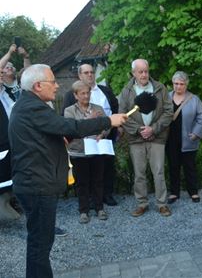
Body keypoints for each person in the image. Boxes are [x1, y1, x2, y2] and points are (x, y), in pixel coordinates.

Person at [8, 64, 127, 278]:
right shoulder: (33, 107)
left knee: (38, 243)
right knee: (40, 245)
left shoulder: (28, 105)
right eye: (52, 82)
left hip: (34, 183)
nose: (56, 86)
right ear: (37, 86)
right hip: (37, 185)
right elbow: (68, 126)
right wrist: (108, 120)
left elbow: (53, 134)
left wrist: (65, 136)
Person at [118, 59, 173, 217]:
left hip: (156, 137)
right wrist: (138, 129)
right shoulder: (127, 91)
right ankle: (142, 203)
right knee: (139, 173)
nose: (144, 74)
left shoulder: (160, 88)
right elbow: (122, 115)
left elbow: (169, 111)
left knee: (159, 172)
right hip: (136, 139)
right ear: (133, 73)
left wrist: (153, 129)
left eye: (146, 71)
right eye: (140, 72)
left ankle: (162, 204)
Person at [61, 64, 119, 206]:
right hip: (82, 143)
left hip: (104, 137)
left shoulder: (105, 90)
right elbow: (68, 120)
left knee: (107, 167)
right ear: (80, 75)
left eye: (92, 72)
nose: (90, 75)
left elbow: (114, 108)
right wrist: (92, 119)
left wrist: (112, 128)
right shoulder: (71, 94)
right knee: (85, 174)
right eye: (86, 72)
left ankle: (106, 195)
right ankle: (88, 201)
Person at [64, 80, 110, 223]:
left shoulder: (98, 108)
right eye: (82, 93)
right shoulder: (69, 111)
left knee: (98, 180)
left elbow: (107, 125)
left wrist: (102, 134)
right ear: (75, 95)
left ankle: (99, 208)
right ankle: (83, 211)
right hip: (79, 152)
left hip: (96, 150)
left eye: (88, 92)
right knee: (81, 182)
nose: (86, 96)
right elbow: (71, 129)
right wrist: (89, 119)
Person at [166, 71, 202, 204]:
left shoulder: (194, 99)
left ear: (186, 84)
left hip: (188, 138)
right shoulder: (166, 97)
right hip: (170, 139)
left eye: (181, 84)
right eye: (176, 83)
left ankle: (193, 191)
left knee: (190, 166)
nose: (178, 87)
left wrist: (196, 133)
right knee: (173, 166)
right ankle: (174, 192)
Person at [0, 68, 20, 219]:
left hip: (13, 141)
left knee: (11, 175)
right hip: (1, 143)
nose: (1, 75)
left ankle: (11, 203)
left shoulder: (7, 94)